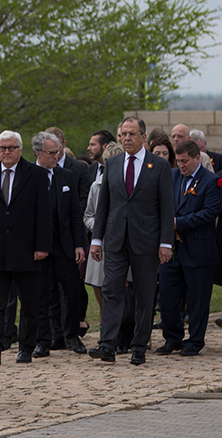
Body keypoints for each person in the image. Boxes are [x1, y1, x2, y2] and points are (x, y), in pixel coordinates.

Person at [89, 116, 174, 365]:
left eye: (131, 134)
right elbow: (103, 206)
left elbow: (167, 207)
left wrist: (166, 243)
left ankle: (139, 346)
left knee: (144, 294)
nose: (126, 138)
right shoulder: (112, 163)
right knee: (111, 290)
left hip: (146, 241)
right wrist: (97, 239)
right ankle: (107, 345)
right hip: (115, 239)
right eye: (123, 134)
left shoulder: (158, 166)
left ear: (143, 137)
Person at [0, 130, 51, 365]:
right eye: (2, 148)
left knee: (29, 302)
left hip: (27, 251)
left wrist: (42, 246)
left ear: (20, 150)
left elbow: (44, 213)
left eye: (11, 148)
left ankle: (26, 348)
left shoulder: (37, 175)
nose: (6, 152)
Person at [155, 140, 221, 356]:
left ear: (196, 158)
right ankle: (172, 338)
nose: (181, 165)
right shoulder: (172, 176)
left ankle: (195, 341)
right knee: (168, 297)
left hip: (198, 249)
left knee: (197, 300)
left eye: (185, 161)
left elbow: (209, 213)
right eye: (179, 161)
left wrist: (176, 223)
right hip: (172, 250)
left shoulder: (211, 181)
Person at [31, 132, 87, 358]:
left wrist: (79, 244)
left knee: (73, 290)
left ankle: (72, 334)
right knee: (43, 294)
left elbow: (75, 213)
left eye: (58, 152)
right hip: (39, 246)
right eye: (51, 153)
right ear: (38, 153)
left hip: (65, 245)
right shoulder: (30, 176)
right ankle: (45, 339)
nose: (57, 156)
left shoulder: (67, 176)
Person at [84, 142, 124, 324]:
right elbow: (88, 215)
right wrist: (100, 228)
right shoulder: (96, 186)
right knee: (100, 285)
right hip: (103, 242)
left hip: (124, 242)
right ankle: (104, 322)